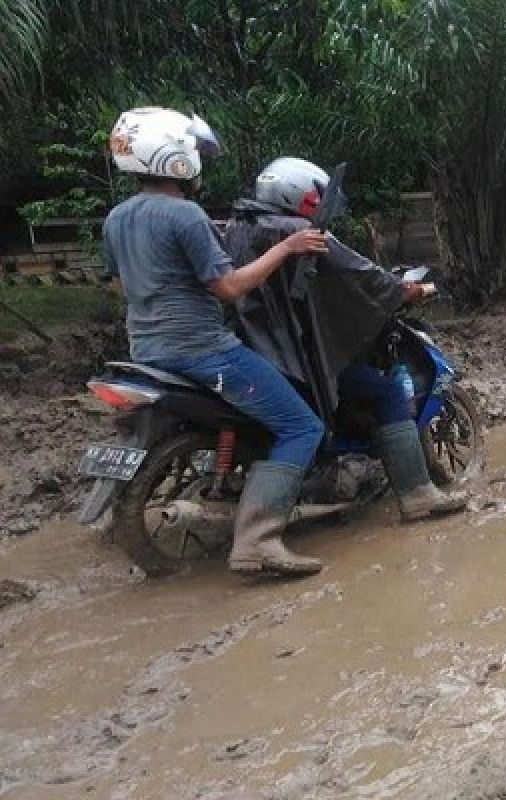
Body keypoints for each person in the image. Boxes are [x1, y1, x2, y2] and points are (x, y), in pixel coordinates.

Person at [102, 107, 330, 578]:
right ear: (177, 156)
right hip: (202, 350)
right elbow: (228, 288)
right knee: (303, 426)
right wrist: (286, 247)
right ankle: (258, 542)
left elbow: (122, 288)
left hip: (145, 351)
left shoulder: (117, 217)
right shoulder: (186, 215)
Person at [225, 157, 469, 519]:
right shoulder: (301, 233)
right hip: (295, 354)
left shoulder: (236, 227)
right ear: (301, 194)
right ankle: (418, 495)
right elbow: (359, 276)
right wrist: (405, 290)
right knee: (386, 392)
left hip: (253, 347)